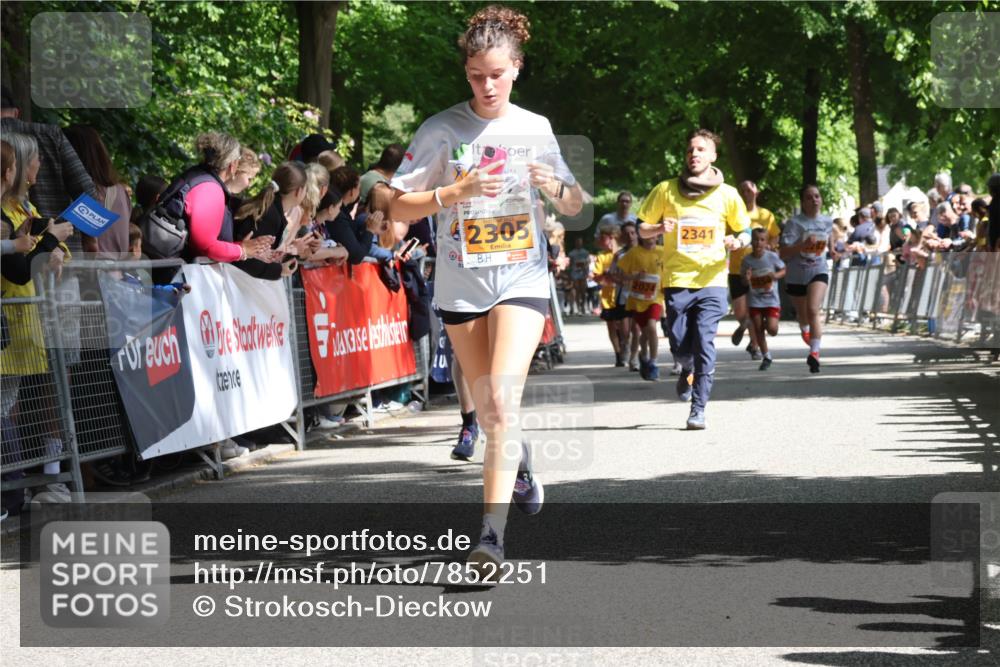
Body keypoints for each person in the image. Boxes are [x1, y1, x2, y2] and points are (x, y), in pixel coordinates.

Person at [387, 4, 584, 576]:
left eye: (497, 73)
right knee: (495, 410)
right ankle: (518, 464)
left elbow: (574, 207)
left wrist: (557, 188)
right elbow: (397, 204)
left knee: (499, 402)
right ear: (466, 73)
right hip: (461, 282)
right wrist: (455, 192)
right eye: (476, 75)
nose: (487, 84)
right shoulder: (440, 129)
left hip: (521, 277)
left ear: (516, 68)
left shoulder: (536, 128)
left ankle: (490, 539)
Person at [636, 128, 750, 429]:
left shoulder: (727, 194)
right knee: (679, 344)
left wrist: (737, 241)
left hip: (712, 281)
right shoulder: (666, 190)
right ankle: (686, 370)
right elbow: (641, 229)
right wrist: (660, 228)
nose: (694, 154)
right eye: (690, 150)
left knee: (704, 343)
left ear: (713, 156)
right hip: (677, 280)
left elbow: (745, 230)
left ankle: (698, 409)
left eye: (701, 149)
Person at [0, 85, 96, 256]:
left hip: (14, 255)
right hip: (63, 250)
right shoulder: (51, 134)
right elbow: (86, 190)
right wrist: (81, 234)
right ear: (16, 112)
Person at [780, 184, 833, 373]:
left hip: (818, 270)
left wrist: (833, 250)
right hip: (796, 274)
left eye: (817, 196)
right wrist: (802, 245)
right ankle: (805, 330)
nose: (814, 200)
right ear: (803, 202)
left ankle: (815, 354)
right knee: (803, 316)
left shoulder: (827, 222)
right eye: (809, 197)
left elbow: (828, 244)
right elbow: (783, 253)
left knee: (813, 310)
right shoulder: (794, 224)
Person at [62, 124, 132, 259]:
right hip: (119, 273)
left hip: (93, 274)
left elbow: (91, 246)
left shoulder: (82, 195)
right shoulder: (121, 191)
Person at [232, 162, 310, 280]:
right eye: (306, 189)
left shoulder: (271, 210)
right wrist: (279, 270)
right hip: (236, 279)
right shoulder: (270, 216)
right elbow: (247, 259)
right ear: (299, 191)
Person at [729, 180, 779, 360]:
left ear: (756, 192)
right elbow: (724, 235)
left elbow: (775, 236)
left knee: (755, 310)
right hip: (737, 269)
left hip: (761, 270)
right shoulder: (732, 215)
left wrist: (770, 247)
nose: (745, 193)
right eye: (742, 190)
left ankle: (755, 345)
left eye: (749, 190)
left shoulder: (766, 215)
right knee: (742, 313)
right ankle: (744, 326)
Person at [616, 230, 665, 380]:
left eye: (653, 235)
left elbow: (669, 271)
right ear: (641, 237)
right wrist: (634, 276)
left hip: (655, 298)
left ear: (657, 236)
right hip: (638, 300)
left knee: (651, 327)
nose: (651, 238)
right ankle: (643, 354)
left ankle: (654, 362)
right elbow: (621, 274)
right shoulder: (633, 253)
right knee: (644, 333)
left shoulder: (663, 252)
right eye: (647, 235)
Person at [740, 228, 786, 371]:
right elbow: (743, 281)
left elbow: (784, 269)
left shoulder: (771, 257)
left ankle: (760, 326)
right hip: (755, 300)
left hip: (771, 300)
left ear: (766, 242)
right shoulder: (746, 260)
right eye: (755, 239)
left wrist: (775, 276)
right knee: (759, 329)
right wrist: (747, 279)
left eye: (762, 240)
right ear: (751, 242)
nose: (758, 243)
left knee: (772, 329)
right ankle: (767, 356)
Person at [592, 226, 627, 366]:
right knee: (611, 326)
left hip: (623, 296)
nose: (600, 241)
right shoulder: (601, 256)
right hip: (607, 298)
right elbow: (596, 277)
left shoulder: (624, 254)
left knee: (624, 327)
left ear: (612, 237)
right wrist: (605, 275)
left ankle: (626, 348)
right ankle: (618, 354)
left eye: (603, 238)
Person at [567, 237, 591, 315]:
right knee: (577, 290)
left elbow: (588, 262)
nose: (579, 244)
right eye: (577, 242)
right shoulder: (571, 253)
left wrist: (585, 268)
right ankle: (578, 307)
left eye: (580, 242)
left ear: (582, 243)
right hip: (575, 273)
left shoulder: (586, 252)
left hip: (583, 273)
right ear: (575, 243)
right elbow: (570, 265)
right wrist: (570, 275)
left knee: (583, 291)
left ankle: (583, 306)